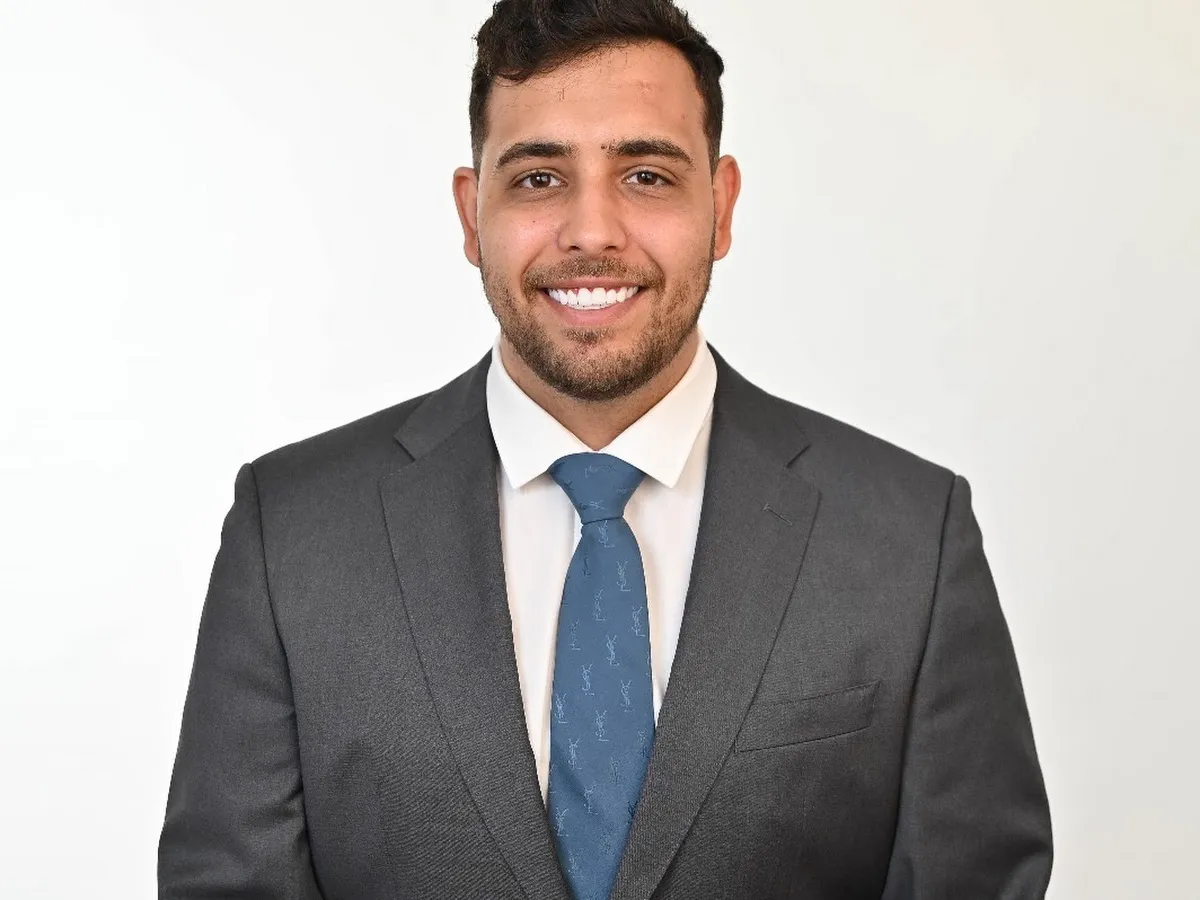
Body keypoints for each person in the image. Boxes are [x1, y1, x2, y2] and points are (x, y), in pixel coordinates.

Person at [157, 1, 1053, 897]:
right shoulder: (293, 533)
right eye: (539, 178)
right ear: (472, 214)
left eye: (647, 176)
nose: (592, 231)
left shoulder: (910, 540)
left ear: (722, 205)